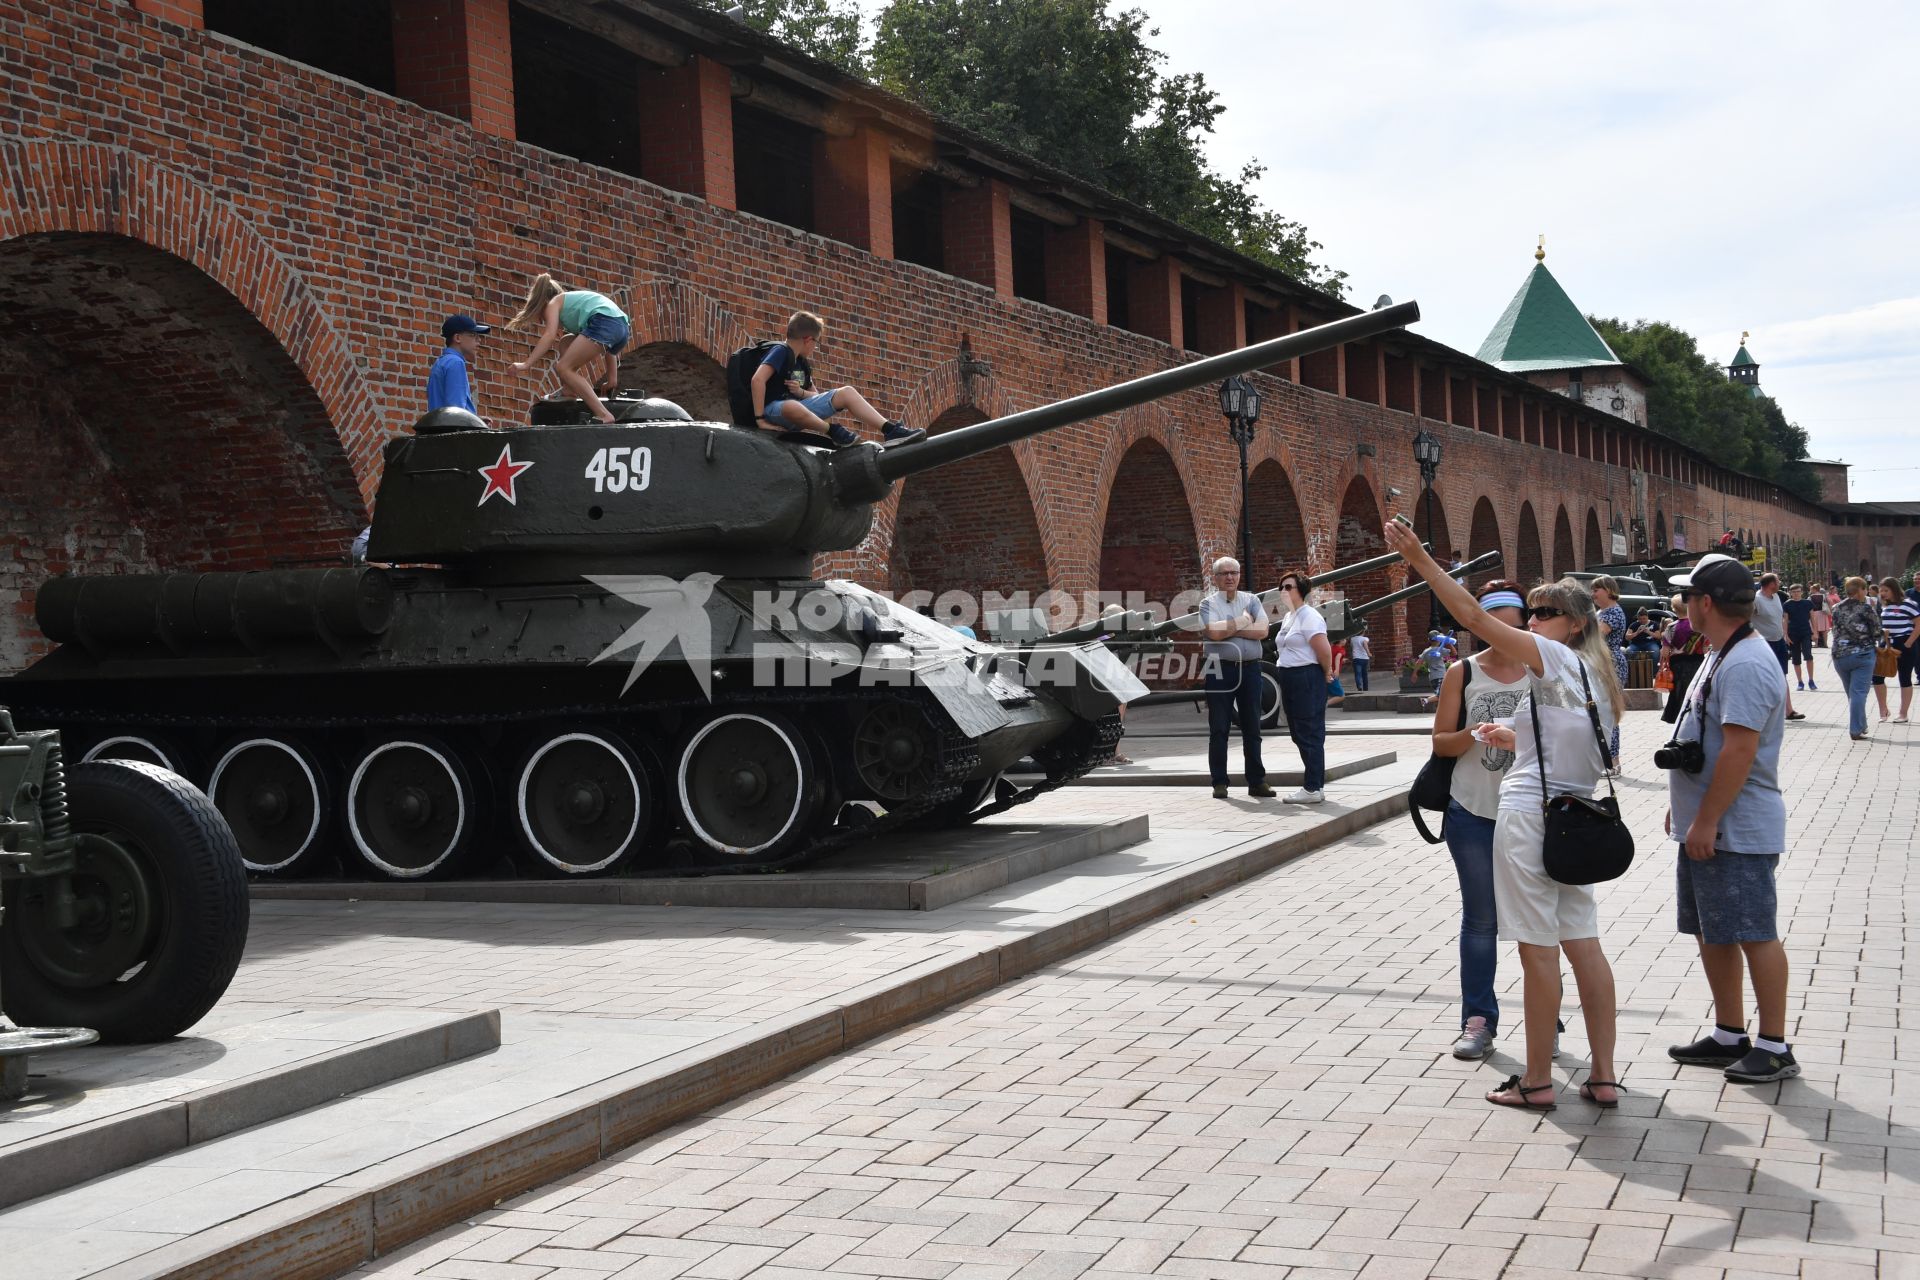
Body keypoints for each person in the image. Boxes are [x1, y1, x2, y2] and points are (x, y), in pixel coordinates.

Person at [1384, 519, 1624, 1110]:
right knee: (1584, 946)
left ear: (1571, 624)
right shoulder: (1597, 675)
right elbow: (1584, 752)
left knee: (1536, 949)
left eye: (1543, 613)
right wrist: (1515, 738)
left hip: (1529, 818)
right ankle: (1603, 1074)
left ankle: (1536, 1079)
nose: (1532, 621)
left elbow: (1472, 617)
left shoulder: (1551, 656)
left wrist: (1419, 557)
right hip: (1577, 813)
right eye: (1532, 612)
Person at [1661, 553, 1796, 1083]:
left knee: (1753, 932)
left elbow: (1739, 751)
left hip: (1734, 827)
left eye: (1688, 596)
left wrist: (1707, 819)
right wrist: (1688, 804)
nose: (1683, 604)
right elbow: (1707, 738)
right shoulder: (1723, 651)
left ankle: (1775, 1045)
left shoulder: (1744, 662)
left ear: (1707, 602)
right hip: (1714, 821)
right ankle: (1730, 1034)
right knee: (1714, 932)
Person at [1430, 580, 1532, 1060]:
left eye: (1513, 624)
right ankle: (1478, 1020)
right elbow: (1440, 743)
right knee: (1481, 919)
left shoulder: (1542, 669)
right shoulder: (1463, 672)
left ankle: (1545, 1019)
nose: (1505, 633)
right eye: (1495, 625)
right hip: (1472, 808)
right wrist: (1475, 732)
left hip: (1532, 813)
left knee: (1536, 919)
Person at [751, 311, 924, 448]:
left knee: (847, 392)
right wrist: (760, 420)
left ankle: (890, 430)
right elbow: (757, 380)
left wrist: (801, 392)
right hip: (773, 411)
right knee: (791, 405)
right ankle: (833, 431)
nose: (815, 347)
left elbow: (816, 397)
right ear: (808, 339)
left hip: (798, 412)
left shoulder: (802, 362)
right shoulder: (781, 351)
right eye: (816, 342)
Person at [506, 274, 630, 423]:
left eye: (544, 318)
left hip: (603, 322)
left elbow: (549, 335)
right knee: (566, 341)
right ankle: (569, 390)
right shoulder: (573, 306)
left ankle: (604, 415)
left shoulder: (553, 303)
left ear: (543, 303)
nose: (547, 320)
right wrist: (612, 380)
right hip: (622, 327)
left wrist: (526, 364)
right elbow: (612, 350)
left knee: (563, 368)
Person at [1199, 557, 1272, 801]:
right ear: (1216, 578)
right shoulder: (1207, 604)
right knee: (1219, 727)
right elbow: (1214, 633)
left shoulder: (1251, 600)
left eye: (1234, 572)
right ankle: (1219, 782)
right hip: (1219, 669)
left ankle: (1257, 781)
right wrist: (1242, 620)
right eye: (1224, 573)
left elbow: (1263, 631)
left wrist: (1229, 628)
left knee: (1253, 726)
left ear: (1239, 575)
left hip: (1250, 669)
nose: (1230, 577)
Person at [1272, 566, 1333, 804]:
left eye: (1289, 587)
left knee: (1309, 731)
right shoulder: (1289, 616)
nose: (1284, 591)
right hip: (1289, 677)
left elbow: (1324, 649)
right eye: (1281, 587)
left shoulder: (1309, 616)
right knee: (1299, 733)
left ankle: (1311, 787)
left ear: (1302, 590)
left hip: (1305, 676)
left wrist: (1326, 673)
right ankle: (1315, 785)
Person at [1829, 577, 1883, 740]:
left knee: (1852, 694)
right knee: (1859, 692)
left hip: (1839, 655)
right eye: (1864, 589)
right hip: (1862, 654)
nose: (1865, 592)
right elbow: (1876, 631)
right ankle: (1856, 729)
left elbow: (1835, 629)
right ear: (1859, 590)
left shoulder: (1836, 607)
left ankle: (1861, 724)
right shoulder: (1865, 608)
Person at [1751, 573, 1804, 721]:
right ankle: (1763, 710)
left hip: (1779, 642)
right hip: (1764, 644)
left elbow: (1778, 618)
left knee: (1782, 676)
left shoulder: (1776, 597)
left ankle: (1789, 711)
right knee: (1764, 678)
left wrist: (1784, 635)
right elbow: (1746, 620)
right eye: (1777, 581)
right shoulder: (1756, 600)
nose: (1780, 583)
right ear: (1771, 584)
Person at [1591, 577, 1629, 759]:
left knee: (1608, 710)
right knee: (1600, 711)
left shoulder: (1611, 613)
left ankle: (1612, 760)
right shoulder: (1602, 612)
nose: (1593, 594)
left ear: (1608, 590)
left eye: (1596, 589)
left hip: (1610, 663)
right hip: (1602, 662)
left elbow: (1596, 636)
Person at [428, 314, 491, 418]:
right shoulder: (456, 362)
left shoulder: (441, 362)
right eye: (472, 335)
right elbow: (456, 413)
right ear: (457, 338)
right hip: (453, 430)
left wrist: (475, 421)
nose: (479, 340)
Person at [1874, 577, 1918, 723]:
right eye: (1881, 591)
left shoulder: (1908, 604)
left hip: (1903, 643)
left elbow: (1918, 624)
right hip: (1886, 643)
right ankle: (1883, 711)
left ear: (1894, 589)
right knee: (1877, 677)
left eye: (1886, 590)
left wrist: (1909, 643)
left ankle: (1903, 713)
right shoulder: (1883, 606)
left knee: (1904, 677)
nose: (1883, 594)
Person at [1662, 593, 1708, 724]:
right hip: (1696, 662)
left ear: (1674, 609)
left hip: (1677, 664)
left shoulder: (1671, 627)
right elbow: (1705, 649)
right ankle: (1693, 718)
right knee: (1694, 691)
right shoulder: (1700, 626)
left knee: (1678, 693)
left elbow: (1665, 652)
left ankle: (1678, 720)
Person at [1780, 583, 1818, 692]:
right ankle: (1800, 681)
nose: (1796, 594)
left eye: (1798, 591)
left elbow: (1813, 618)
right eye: (1794, 592)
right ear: (1790, 593)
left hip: (1806, 632)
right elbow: (1785, 620)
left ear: (1802, 592)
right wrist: (1785, 635)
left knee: (1808, 656)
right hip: (1793, 634)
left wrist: (1815, 632)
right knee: (1796, 659)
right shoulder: (1787, 604)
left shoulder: (1808, 603)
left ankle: (1811, 680)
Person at [1347, 627, 1372, 691]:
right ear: (1363, 632)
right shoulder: (1365, 638)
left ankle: (1359, 686)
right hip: (1365, 658)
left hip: (1356, 658)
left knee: (1358, 673)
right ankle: (1365, 688)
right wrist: (1368, 653)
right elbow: (1365, 644)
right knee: (1365, 674)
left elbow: (1352, 647)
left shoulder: (1352, 639)